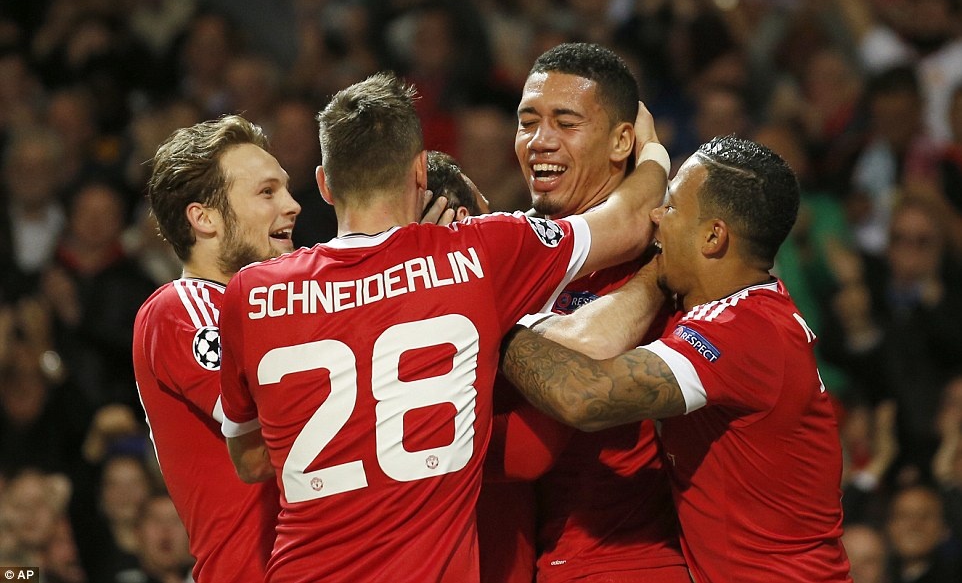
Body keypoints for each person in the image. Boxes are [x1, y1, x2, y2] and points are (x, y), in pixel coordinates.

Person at [217, 71, 669, 582]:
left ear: (324, 183)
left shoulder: (249, 294)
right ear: (419, 171)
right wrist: (652, 150)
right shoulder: (477, 255)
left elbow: (250, 460)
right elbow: (630, 221)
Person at [500, 135, 853, 582]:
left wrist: (491, 322)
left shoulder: (742, 328)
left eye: (670, 207)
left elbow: (585, 397)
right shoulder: (743, 314)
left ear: (712, 236)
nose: (655, 217)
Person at [482, 42, 687, 583]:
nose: (540, 141)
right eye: (528, 122)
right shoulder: (518, 250)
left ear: (622, 141)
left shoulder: (673, 261)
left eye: (566, 123)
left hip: (630, 562)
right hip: (536, 560)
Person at [132, 115, 300, 582]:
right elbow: (279, 422)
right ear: (204, 218)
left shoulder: (283, 306)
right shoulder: (179, 308)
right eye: (266, 192)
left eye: (285, 189)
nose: (292, 205)